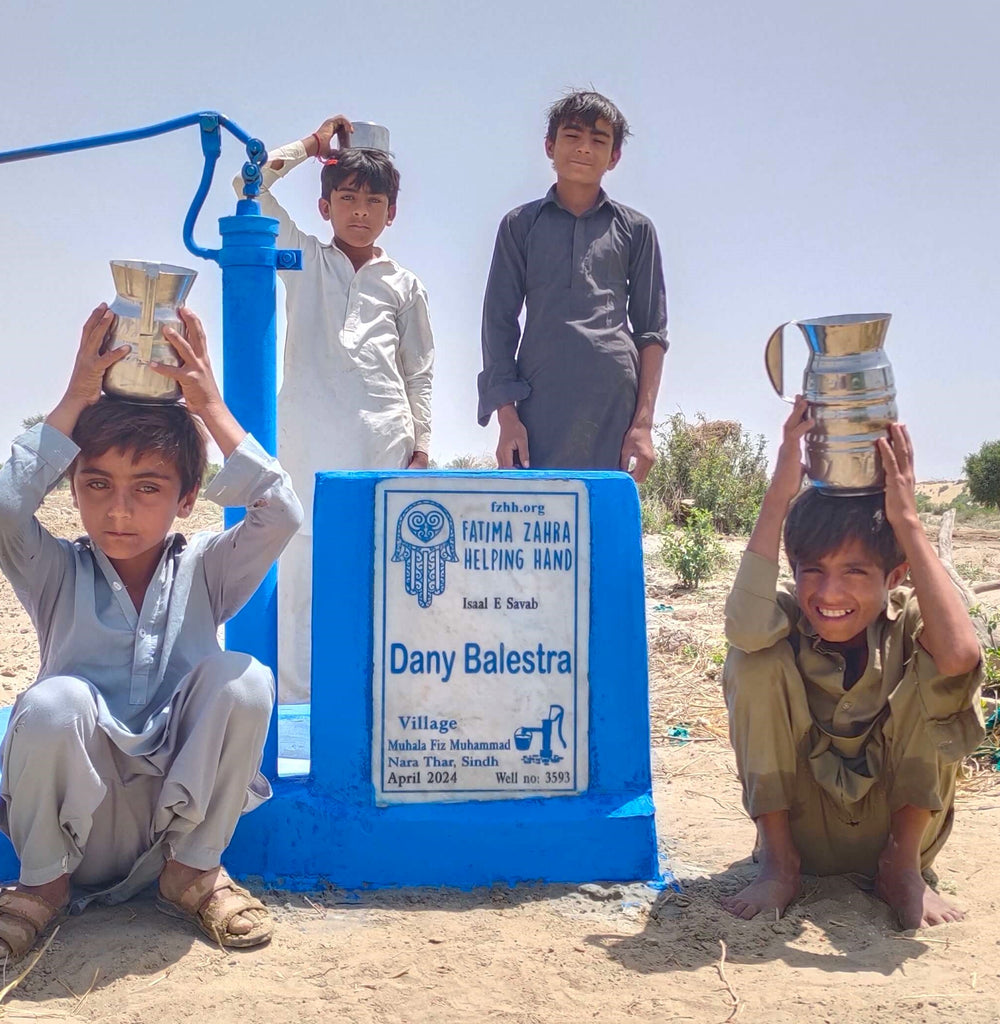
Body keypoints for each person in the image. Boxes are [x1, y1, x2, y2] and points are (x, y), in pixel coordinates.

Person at [0, 305, 303, 960]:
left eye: (147, 487)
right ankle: (41, 888)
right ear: (73, 489)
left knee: (243, 678)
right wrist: (78, 395)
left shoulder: (206, 571)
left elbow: (279, 512)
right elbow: (4, 507)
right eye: (98, 484)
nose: (119, 509)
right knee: (54, 703)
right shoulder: (56, 571)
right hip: (80, 829)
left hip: (175, 823)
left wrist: (211, 406)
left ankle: (193, 875)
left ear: (187, 498)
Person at [721, 398, 984, 929]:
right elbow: (744, 628)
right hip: (805, 829)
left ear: (893, 577)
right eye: (813, 570)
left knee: (940, 671)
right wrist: (781, 489)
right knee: (752, 662)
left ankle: (900, 868)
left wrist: (906, 518)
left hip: (898, 827)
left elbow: (960, 656)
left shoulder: (909, 619)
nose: (829, 592)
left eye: (856, 572)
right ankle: (779, 861)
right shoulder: (787, 617)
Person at [235, 116, 434, 704]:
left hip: (383, 441)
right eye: (347, 198)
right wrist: (311, 146)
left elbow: (419, 369)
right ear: (325, 207)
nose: (361, 211)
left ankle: (380, 699)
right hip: (306, 438)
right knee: (299, 562)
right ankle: (299, 704)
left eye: (374, 201)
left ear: (391, 212)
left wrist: (421, 445)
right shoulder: (302, 259)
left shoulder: (404, 284)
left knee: (378, 567)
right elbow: (249, 187)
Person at [478, 90, 668, 481]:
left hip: (614, 404)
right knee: (535, 531)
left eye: (598, 140)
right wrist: (507, 417)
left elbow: (652, 332)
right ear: (550, 146)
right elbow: (498, 324)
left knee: (604, 528)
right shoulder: (520, 225)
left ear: (614, 156)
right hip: (538, 406)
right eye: (572, 136)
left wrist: (643, 425)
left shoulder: (636, 230)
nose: (584, 148)